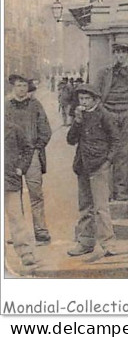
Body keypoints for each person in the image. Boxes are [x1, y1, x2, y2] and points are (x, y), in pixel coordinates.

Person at [66, 83, 117, 257]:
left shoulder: (104, 115)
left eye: (87, 98)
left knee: (101, 207)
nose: (84, 102)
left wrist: (108, 161)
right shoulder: (79, 116)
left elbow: (116, 141)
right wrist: (77, 122)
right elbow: (70, 140)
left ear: (95, 99)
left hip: (99, 165)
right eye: (81, 99)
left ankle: (108, 244)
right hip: (82, 166)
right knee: (85, 206)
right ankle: (85, 242)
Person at [5, 72, 52, 244]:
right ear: (13, 87)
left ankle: (41, 231)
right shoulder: (6, 107)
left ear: (28, 88)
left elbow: (45, 130)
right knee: (13, 195)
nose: (21, 89)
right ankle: (18, 233)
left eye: (24, 85)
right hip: (11, 157)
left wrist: (37, 147)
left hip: (31, 155)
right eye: (18, 85)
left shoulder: (35, 105)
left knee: (36, 193)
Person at [95, 43, 128, 201]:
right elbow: (96, 94)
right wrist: (104, 111)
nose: (120, 56)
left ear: (127, 55)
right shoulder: (104, 72)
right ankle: (106, 192)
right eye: (117, 53)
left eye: (123, 53)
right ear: (113, 54)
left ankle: (121, 192)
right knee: (107, 151)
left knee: (123, 152)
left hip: (127, 113)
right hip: (109, 112)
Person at [4, 122, 38, 270]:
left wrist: (21, 167)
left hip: (10, 179)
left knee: (16, 217)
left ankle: (25, 252)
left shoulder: (14, 128)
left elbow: (28, 148)